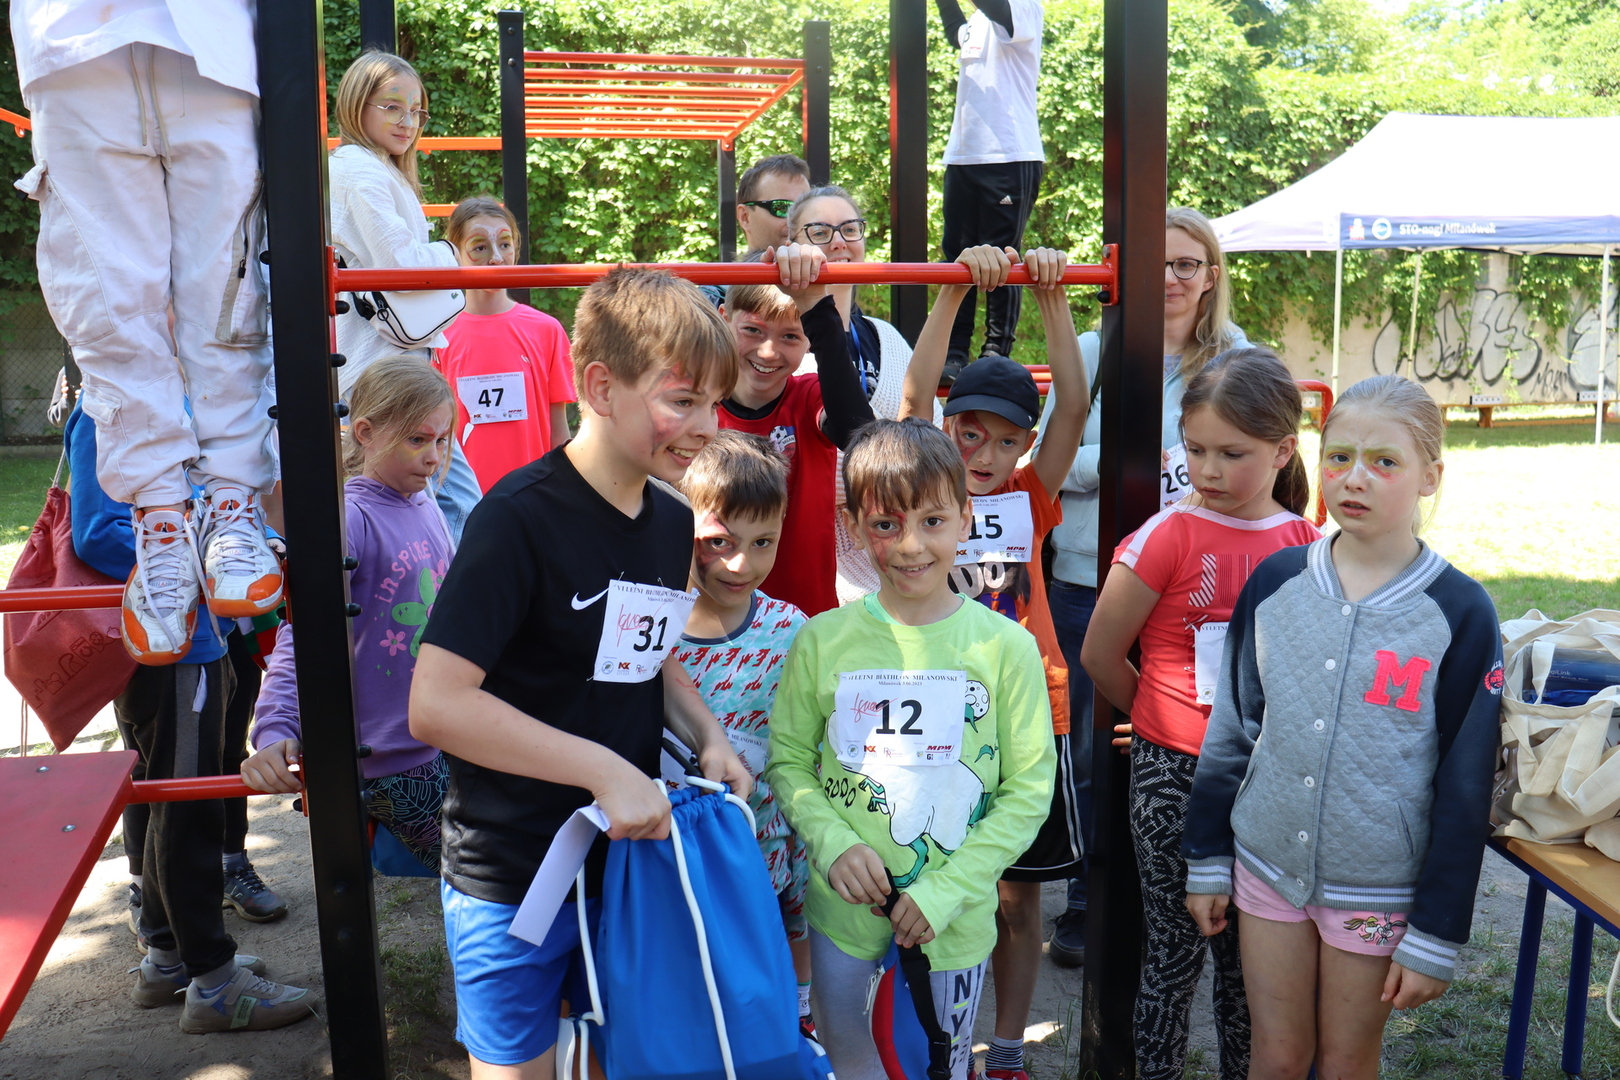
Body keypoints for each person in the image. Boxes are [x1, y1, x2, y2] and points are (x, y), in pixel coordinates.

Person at [408, 268, 752, 1078]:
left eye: (714, 403)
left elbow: (645, 655)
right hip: (512, 874)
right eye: (682, 400)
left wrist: (708, 735)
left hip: (626, 869)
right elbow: (437, 704)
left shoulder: (671, 518)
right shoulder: (515, 518)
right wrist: (603, 769)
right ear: (599, 387)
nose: (706, 428)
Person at [1183, 376, 1503, 1080]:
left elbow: (1465, 783)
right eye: (1339, 457)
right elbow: (1234, 725)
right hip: (1266, 869)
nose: (1355, 478)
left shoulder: (1460, 612)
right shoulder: (1275, 582)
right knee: (1276, 1055)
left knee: (1346, 1061)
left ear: (1430, 477)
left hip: (1378, 890)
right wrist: (1207, 857)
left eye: (1384, 461)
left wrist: (1437, 931)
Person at [765, 418, 1056, 1080]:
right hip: (842, 915)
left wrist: (946, 890)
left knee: (938, 1065)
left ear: (965, 518)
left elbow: (1028, 790)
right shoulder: (821, 640)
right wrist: (834, 845)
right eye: (885, 524)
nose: (910, 546)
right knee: (850, 1058)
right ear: (852, 524)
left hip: (952, 923)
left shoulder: (1006, 647)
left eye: (932, 521)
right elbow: (788, 760)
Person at [15, 0, 283, 666]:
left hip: (215, 39)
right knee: (108, 307)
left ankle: (231, 503)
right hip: (73, 39)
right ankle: (161, 520)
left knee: (229, 294)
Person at [1080, 348, 1320, 1080]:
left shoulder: (1309, 547)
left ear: (1282, 452)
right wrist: (1156, 717)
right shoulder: (1167, 535)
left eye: (1231, 454)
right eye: (1195, 449)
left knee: (1252, 967)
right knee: (1172, 954)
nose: (1207, 470)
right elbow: (1100, 652)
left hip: (1266, 781)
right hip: (1172, 775)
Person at [1032, 205, 1251, 968]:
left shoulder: (1233, 359)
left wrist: (1175, 465)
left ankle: (1183, 891)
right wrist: (1129, 462)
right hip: (1089, 575)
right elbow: (1048, 464)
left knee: (1187, 742)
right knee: (1092, 749)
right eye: (1155, 264)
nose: (1170, 279)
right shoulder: (1095, 351)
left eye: (1186, 264)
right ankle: (1088, 898)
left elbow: (1254, 459)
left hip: (1195, 589)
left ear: (1210, 276)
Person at [62, 401, 312, 1032]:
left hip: (201, 638)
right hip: (170, 644)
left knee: (170, 794)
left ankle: (167, 958)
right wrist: (208, 563)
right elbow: (97, 533)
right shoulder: (111, 409)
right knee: (188, 806)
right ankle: (214, 983)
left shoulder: (184, 403)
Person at [897, 244, 1085, 1080]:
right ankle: (947, 1041)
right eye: (969, 433)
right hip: (941, 710)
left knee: (1017, 894)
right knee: (934, 879)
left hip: (1027, 711)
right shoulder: (927, 488)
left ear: (1025, 446)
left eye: (1004, 441)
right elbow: (911, 400)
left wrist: (1052, 295)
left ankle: (1004, 1049)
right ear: (948, 429)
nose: (982, 452)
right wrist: (949, 290)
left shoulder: (1029, 494)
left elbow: (1075, 406)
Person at [242, 357, 457, 873]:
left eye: (442, 440)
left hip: (443, 733)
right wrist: (274, 727)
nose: (433, 456)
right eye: (417, 439)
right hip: (393, 760)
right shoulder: (349, 520)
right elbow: (302, 634)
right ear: (365, 432)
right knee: (491, 872)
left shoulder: (424, 504)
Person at [668, 429, 815, 1034]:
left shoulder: (792, 630)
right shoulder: (654, 631)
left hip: (769, 849)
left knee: (777, 962)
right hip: (675, 853)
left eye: (762, 543)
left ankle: (797, 1022)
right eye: (719, 542)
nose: (740, 564)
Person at [328, 49, 482, 542]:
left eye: (416, 111)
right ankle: (435, 590)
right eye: (392, 106)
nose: (407, 121)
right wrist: (450, 254)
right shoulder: (357, 170)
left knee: (447, 502)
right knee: (433, 507)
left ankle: (443, 586)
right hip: (381, 363)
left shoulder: (376, 168)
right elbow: (401, 266)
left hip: (395, 359)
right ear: (357, 105)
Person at [781, 185, 942, 602]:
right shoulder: (778, 343)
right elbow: (789, 464)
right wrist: (892, 472)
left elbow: (933, 439)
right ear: (791, 244)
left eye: (849, 229)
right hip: (811, 564)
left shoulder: (884, 335)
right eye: (819, 232)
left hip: (896, 559)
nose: (838, 242)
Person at [718, 243, 874, 616]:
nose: (768, 352)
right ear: (724, 319)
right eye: (752, 330)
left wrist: (815, 307)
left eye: (790, 336)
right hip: (712, 619)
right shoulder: (697, 407)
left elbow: (860, 435)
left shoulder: (808, 399)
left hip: (803, 620)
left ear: (809, 341)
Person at [935, 0, 1045, 384]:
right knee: (957, 257)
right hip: (963, 156)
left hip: (1009, 155)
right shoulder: (978, 20)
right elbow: (956, 33)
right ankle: (954, 353)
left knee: (1002, 256)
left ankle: (996, 353)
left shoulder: (1024, 8)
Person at [436, 196, 575, 492]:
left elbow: (558, 431)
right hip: (463, 500)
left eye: (505, 244)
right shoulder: (437, 335)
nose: (497, 258)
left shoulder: (546, 330)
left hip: (533, 497)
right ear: (456, 252)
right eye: (480, 247)